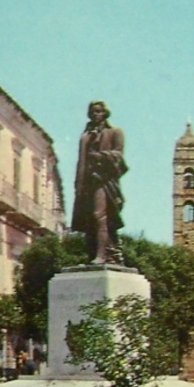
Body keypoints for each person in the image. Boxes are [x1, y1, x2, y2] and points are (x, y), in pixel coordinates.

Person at [70, 100, 127, 265]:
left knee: (99, 215)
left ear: (105, 113)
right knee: (88, 220)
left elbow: (119, 155)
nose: (95, 114)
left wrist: (100, 156)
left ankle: (103, 255)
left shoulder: (115, 132)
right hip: (87, 183)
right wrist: (78, 185)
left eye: (98, 111)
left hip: (105, 181)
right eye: (92, 112)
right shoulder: (85, 137)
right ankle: (93, 254)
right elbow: (80, 162)